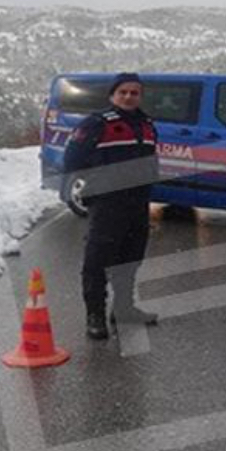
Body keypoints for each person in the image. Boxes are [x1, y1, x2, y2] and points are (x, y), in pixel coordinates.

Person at [64, 73, 160, 340]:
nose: (129, 97)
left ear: (140, 96)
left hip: (137, 202)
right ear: (112, 95)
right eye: (123, 92)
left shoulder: (147, 124)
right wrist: (96, 183)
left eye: (134, 92)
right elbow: (72, 160)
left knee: (131, 257)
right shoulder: (97, 123)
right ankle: (95, 315)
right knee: (98, 261)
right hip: (108, 203)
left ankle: (124, 310)